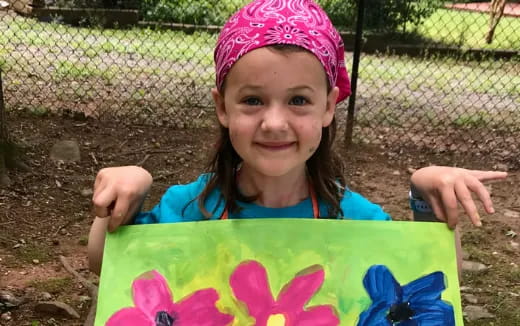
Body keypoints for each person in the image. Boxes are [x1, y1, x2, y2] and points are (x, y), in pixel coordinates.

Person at [87, 0, 507, 275]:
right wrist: (130, 189)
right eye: (252, 100)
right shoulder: (187, 210)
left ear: (329, 106)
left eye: (299, 101)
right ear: (222, 107)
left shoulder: (354, 221)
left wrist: (427, 197)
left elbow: (431, 277)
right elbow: (104, 261)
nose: (274, 123)